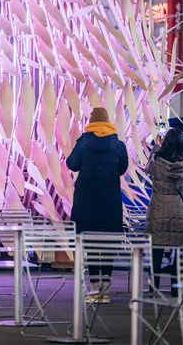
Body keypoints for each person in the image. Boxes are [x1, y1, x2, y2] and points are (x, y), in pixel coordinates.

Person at [66, 107, 129, 304]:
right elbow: (123, 168)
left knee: (91, 244)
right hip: (109, 201)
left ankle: (94, 290)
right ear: (108, 120)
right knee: (108, 244)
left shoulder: (84, 143)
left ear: (92, 120)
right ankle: (106, 290)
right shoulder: (118, 145)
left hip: (87, 202)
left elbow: (71, 164)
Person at [145, 129, 183, 297]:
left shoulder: (157, 160)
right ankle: (176, 287)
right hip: (179, 209)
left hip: (158, 208)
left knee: (156, 251)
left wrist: (156, 147)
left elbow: (147, 168)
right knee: (177, 251)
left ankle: (154, 287)